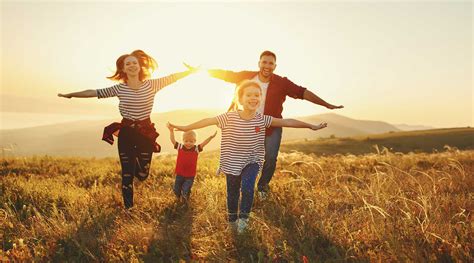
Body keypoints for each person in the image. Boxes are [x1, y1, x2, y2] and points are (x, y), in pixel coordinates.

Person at [168, 80, 327, 233]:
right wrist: (184, 127)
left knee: (248, 186)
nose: (254, 98)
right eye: (249, 95)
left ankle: (243, 220)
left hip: (252, 161)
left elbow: (288, 122)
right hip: (231, 162)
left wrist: (311, 126)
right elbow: (207, 121)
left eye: (257, 95)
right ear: (240, 99)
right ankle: (232, 221)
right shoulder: (228, 117)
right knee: (232, 193)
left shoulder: (262, 119)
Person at [58, 50, 196, 209]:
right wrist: (71, 95)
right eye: (128, 64)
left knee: (143, 175)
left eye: (134, 63)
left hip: (145, 133)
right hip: (127, 134)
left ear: (140, 66)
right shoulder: (119, 89)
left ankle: (134, 165)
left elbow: (173, 78)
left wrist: (191, 71)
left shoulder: (152, 85)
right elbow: (94, 92)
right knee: (127, 174)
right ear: (123, 69)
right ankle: (129, 209)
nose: (131, 65)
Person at [196, 50, 343, 199]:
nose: (267, 66)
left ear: (275, 66)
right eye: (264, 62)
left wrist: (326, 105)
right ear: (259, 63)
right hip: (247, 125)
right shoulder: (247, 76)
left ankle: (262, 187)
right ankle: (242, 186)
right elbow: (225, 74)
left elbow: (302, 92)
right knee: (243, 157)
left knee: (271, 158)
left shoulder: (281, 83)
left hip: (272, 125)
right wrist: (200, 69)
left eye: (271, 63)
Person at [166, 123, 217, 201]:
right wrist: (171, 131)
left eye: (191, 141)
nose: (188, 143)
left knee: (185, 190)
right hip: (180, 174)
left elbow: (204, 143)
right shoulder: (180, 147)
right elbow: (173, 140)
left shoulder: (196, 149)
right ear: (183, 140)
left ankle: (185, 201)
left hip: (190, 175)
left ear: (195, 141)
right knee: (176, 190)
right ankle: (178, 200)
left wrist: (211, 137)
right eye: (186, 141)